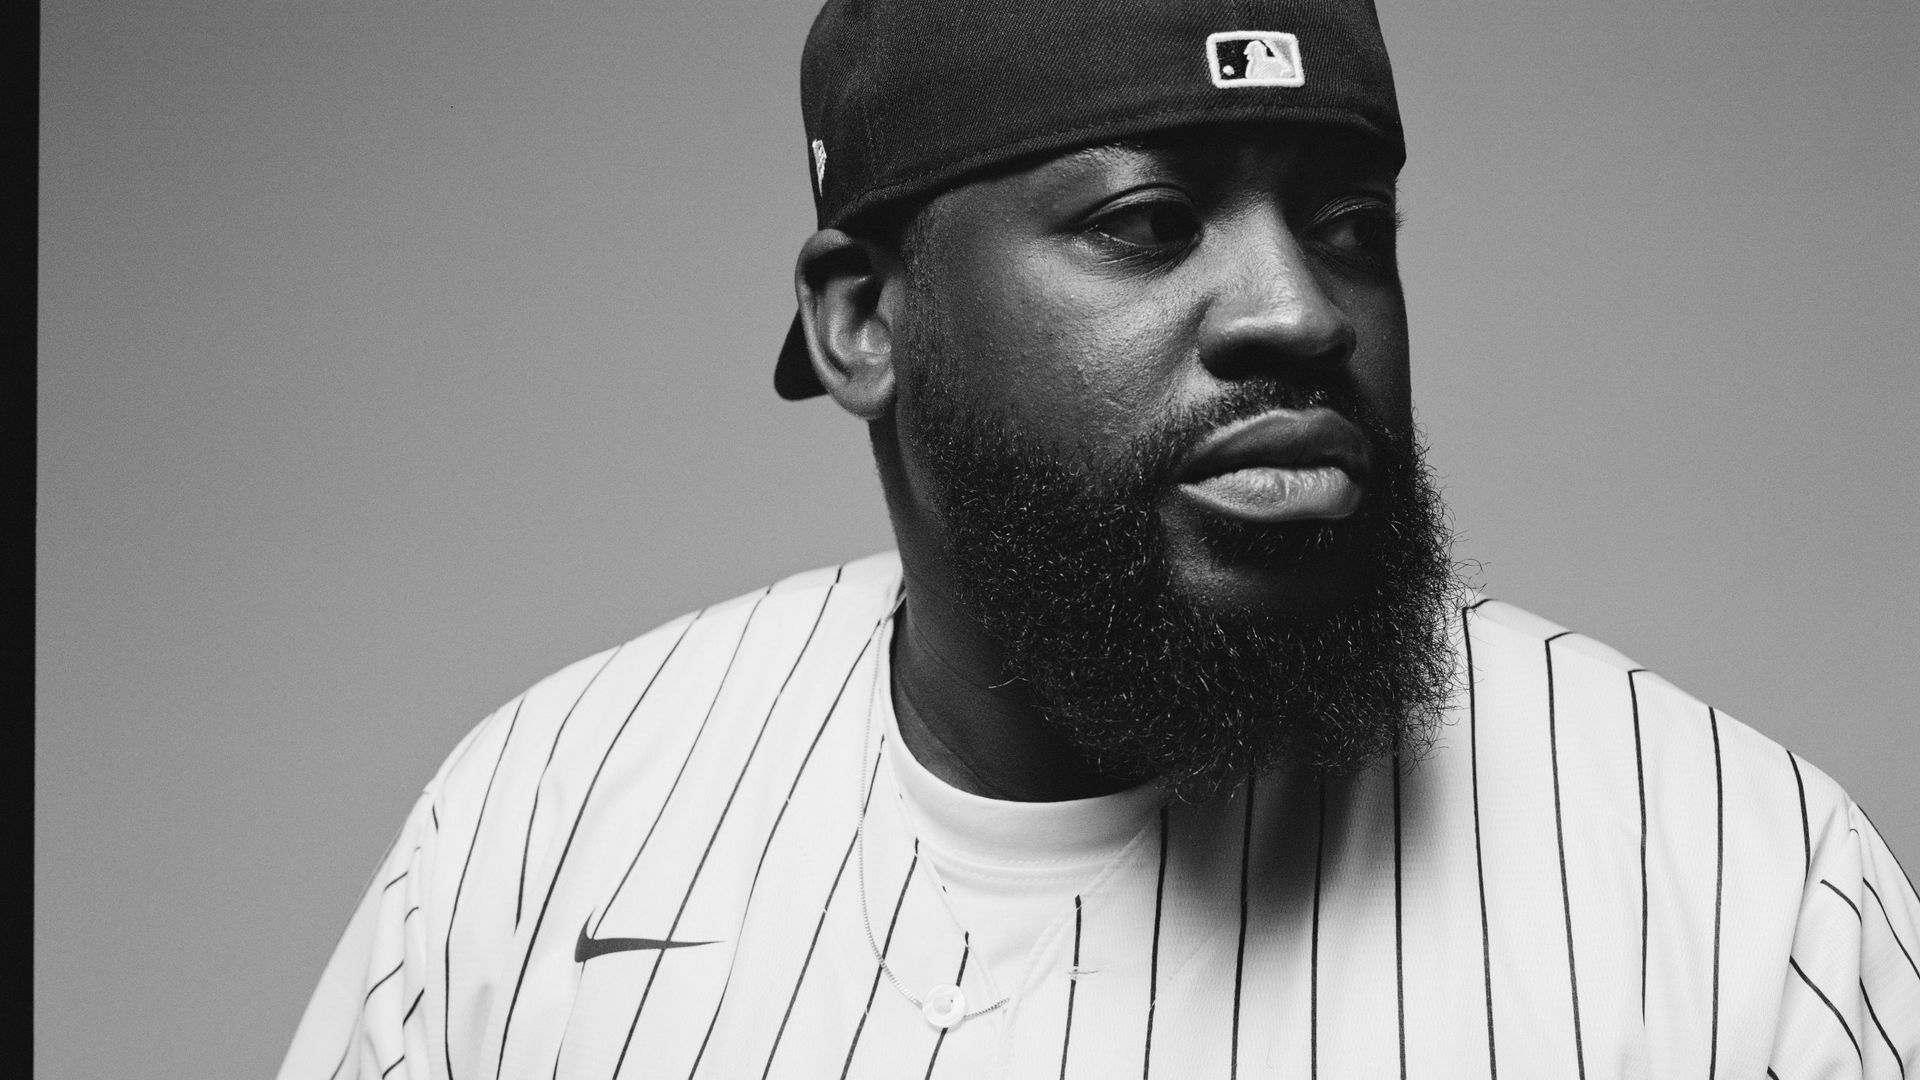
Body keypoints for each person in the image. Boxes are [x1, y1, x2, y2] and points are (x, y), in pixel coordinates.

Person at [278, 0, 1920, 1076]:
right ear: (865, 321)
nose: (1298, 309)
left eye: (1350, 224)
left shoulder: (1735, 882)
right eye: (1147, 223)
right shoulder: (540, 825)